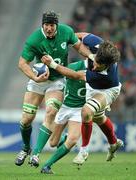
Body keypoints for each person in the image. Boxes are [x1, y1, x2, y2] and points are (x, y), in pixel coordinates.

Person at [15, 11, 91, 167]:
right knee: (27, 119)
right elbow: (22, 63)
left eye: (52, 25)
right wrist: (35, 77)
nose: (49, 28)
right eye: (46, 25)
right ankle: (25, 147)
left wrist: (92, 58)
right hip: (38, 80)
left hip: (56, 80)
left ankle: (35, 154)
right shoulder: (35, 39)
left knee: (51, 111)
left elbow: (79, 47)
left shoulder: (66, 32)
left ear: (56, 25)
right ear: (42, 25)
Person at [41, 34, 124, 173]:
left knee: (87, 111)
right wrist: (66, 38)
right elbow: (80, 36)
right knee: (98, 117)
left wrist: (53, 64)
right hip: (93, 89)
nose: (94, 65)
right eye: (95, 60)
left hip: (107, 90)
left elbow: (75, 75)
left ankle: (84, 150)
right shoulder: (98, 46)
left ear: (107, 65)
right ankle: (114, 142)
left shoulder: (104, 75)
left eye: (98, 64)